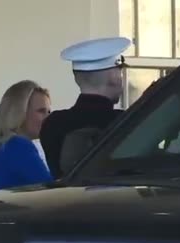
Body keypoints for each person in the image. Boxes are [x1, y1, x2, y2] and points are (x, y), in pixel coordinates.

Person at [39, 37, 132, 179]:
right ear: (113, 76)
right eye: (119, 72)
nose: (121, 77)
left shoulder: (53, 124)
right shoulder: (124, 122)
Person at [0, 80, 53, 193]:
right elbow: (52, 192)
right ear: (19, 112)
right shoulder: (18, 146)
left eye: (49, 112)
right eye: (41, 111)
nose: (48, 118)